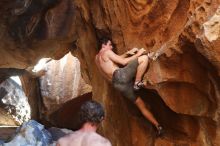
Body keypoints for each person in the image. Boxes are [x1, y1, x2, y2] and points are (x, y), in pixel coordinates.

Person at [95, 37, 163, 136]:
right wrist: (138, 54)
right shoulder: (107, 52)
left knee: (140, 104)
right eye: (110, 45)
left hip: (117, 84)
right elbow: (123, 62)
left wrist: (128, 53)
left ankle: (158, 127)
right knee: (144, 59)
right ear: (104, 45)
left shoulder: (97, 58)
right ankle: (137, 82)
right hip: (121, 76)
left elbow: (116, 59)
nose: (112, 47)